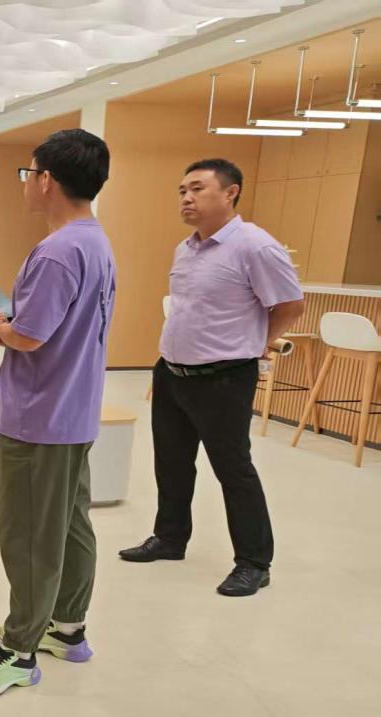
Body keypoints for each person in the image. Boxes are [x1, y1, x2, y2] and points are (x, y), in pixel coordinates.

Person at [0, 129, 116, 698]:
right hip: (74, 410)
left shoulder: (57, 251)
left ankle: (19, 650)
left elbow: (30, 337)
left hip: (38, 416)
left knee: (28, 535)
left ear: (47, 180)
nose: (25, 183)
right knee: (69, 523)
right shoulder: (95, 241)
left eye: (28, 172)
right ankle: (68, 628)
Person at [118, 159, 304, 597]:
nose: (186, 198)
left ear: (230, 192)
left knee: (232, 469)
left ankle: (254, 562)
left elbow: (291, 306)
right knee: (171, 461)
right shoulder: (186, 248)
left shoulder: (255, 246)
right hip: (172, 371)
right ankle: (170, 538)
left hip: (224, 377)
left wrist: (258, 342)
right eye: (182, 190)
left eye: (197, 188)